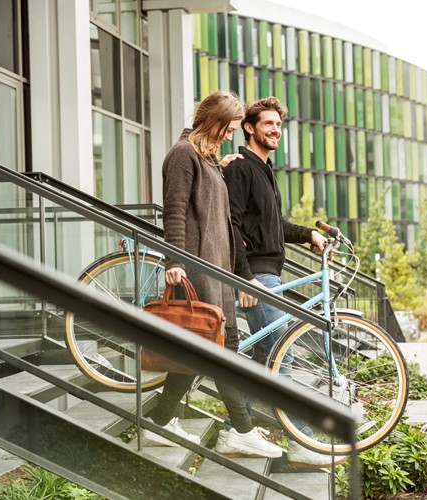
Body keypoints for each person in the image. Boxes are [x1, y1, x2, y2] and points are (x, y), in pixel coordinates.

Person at [151, 90, 281, 459]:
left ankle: (161, 420)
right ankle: (241, 430)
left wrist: (240, 273)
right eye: (229, 128)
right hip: (196, 266)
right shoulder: (182, 155)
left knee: (208, 347)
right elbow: (174, 210)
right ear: (214, 121)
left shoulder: (205, 159)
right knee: (219, 349)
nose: (230, 135)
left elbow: (223, 223)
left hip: (218, 269)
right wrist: (173, 260)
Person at [223, 96, 342, 468]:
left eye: (278, 125)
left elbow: (272, 226)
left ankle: (234, 430)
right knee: (283, 351)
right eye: (268, 124)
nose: (275, 130)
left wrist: (309, 233)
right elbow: (230, 225)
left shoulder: (266, 170)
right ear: (249, 127)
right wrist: (243, 279)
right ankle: (303, 440)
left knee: (266, 355)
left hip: (268, 272)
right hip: (256, 275)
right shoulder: (241, 168)